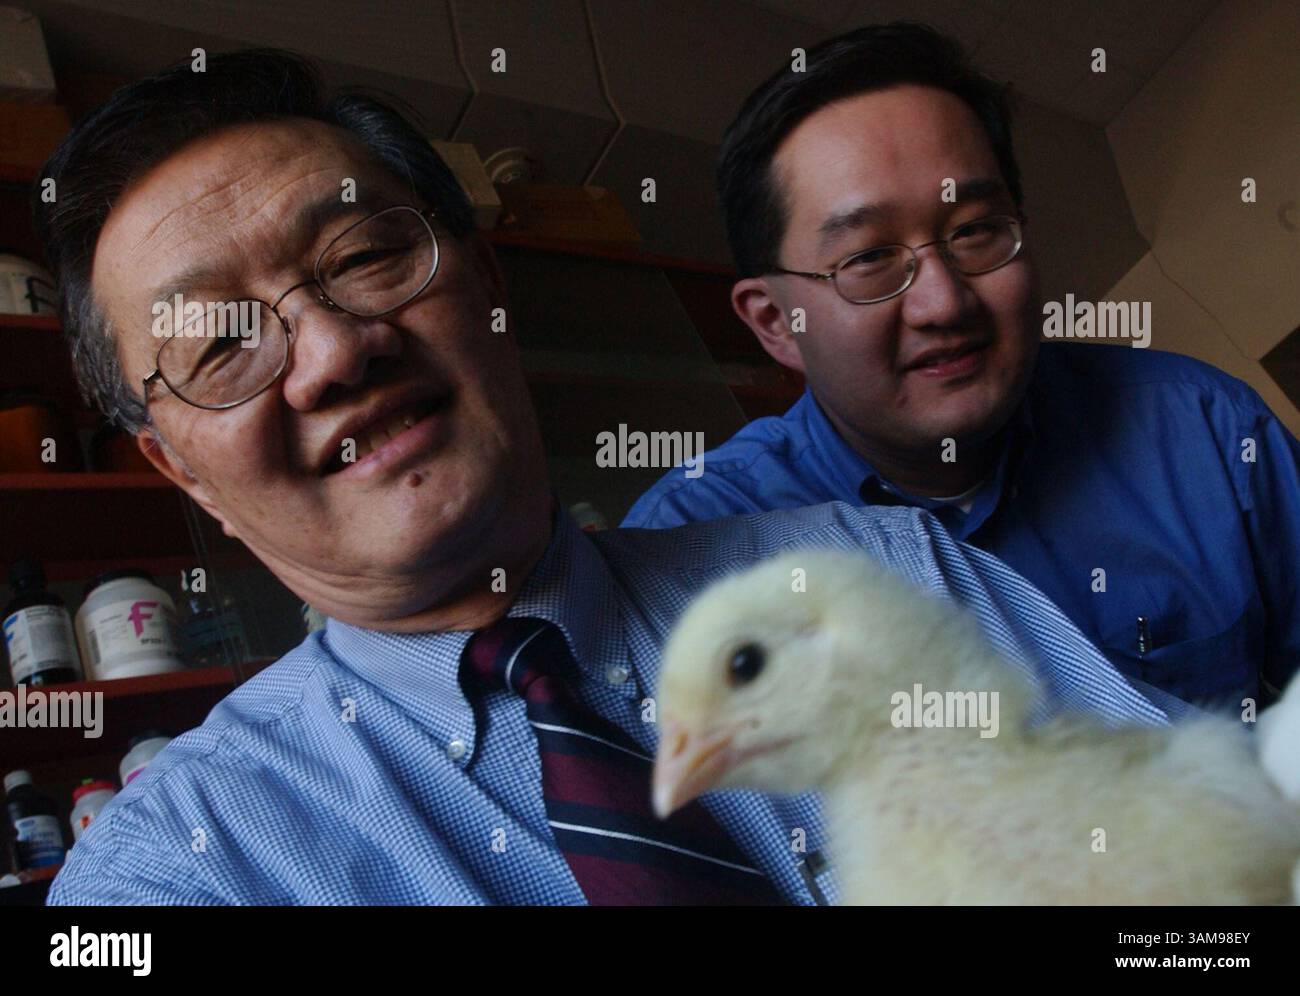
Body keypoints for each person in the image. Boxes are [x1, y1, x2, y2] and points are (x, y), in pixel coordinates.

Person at [40, 49, 1169, 906]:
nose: (336, 351)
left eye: (365, 257)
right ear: (177, 467)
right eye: (221, 344)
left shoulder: (883, 571)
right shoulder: (174, 870)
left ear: (486, 283)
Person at [623, 23, 1300, 710]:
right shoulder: (685, 558)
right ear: (776, 323)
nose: (943, 302)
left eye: (974, 230)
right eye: (868, 259)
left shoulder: (1207, 432)